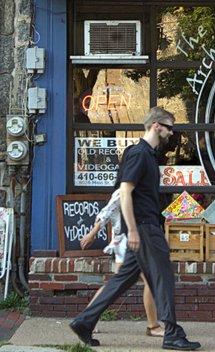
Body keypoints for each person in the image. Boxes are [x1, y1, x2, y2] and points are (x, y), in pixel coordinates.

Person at [70, 107, 201, 351]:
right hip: (144, 228)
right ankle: (171, 333)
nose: (172, 133)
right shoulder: (139, 154)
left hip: (145, 227)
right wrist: (132, 230)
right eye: (170, 127)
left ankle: (84, 321)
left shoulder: (149, 155)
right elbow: (125, 193)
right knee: (164, 278)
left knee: (122, 280)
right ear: (157, 126)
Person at [80, 187, 164, 337]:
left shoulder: (140, 191)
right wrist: (92, 234)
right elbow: (106, 212)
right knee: (134, 283)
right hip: (125, 244)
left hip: (137, 243)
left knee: (118, 284)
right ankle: (153, 326)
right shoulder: (123, 191)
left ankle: (86, 320)